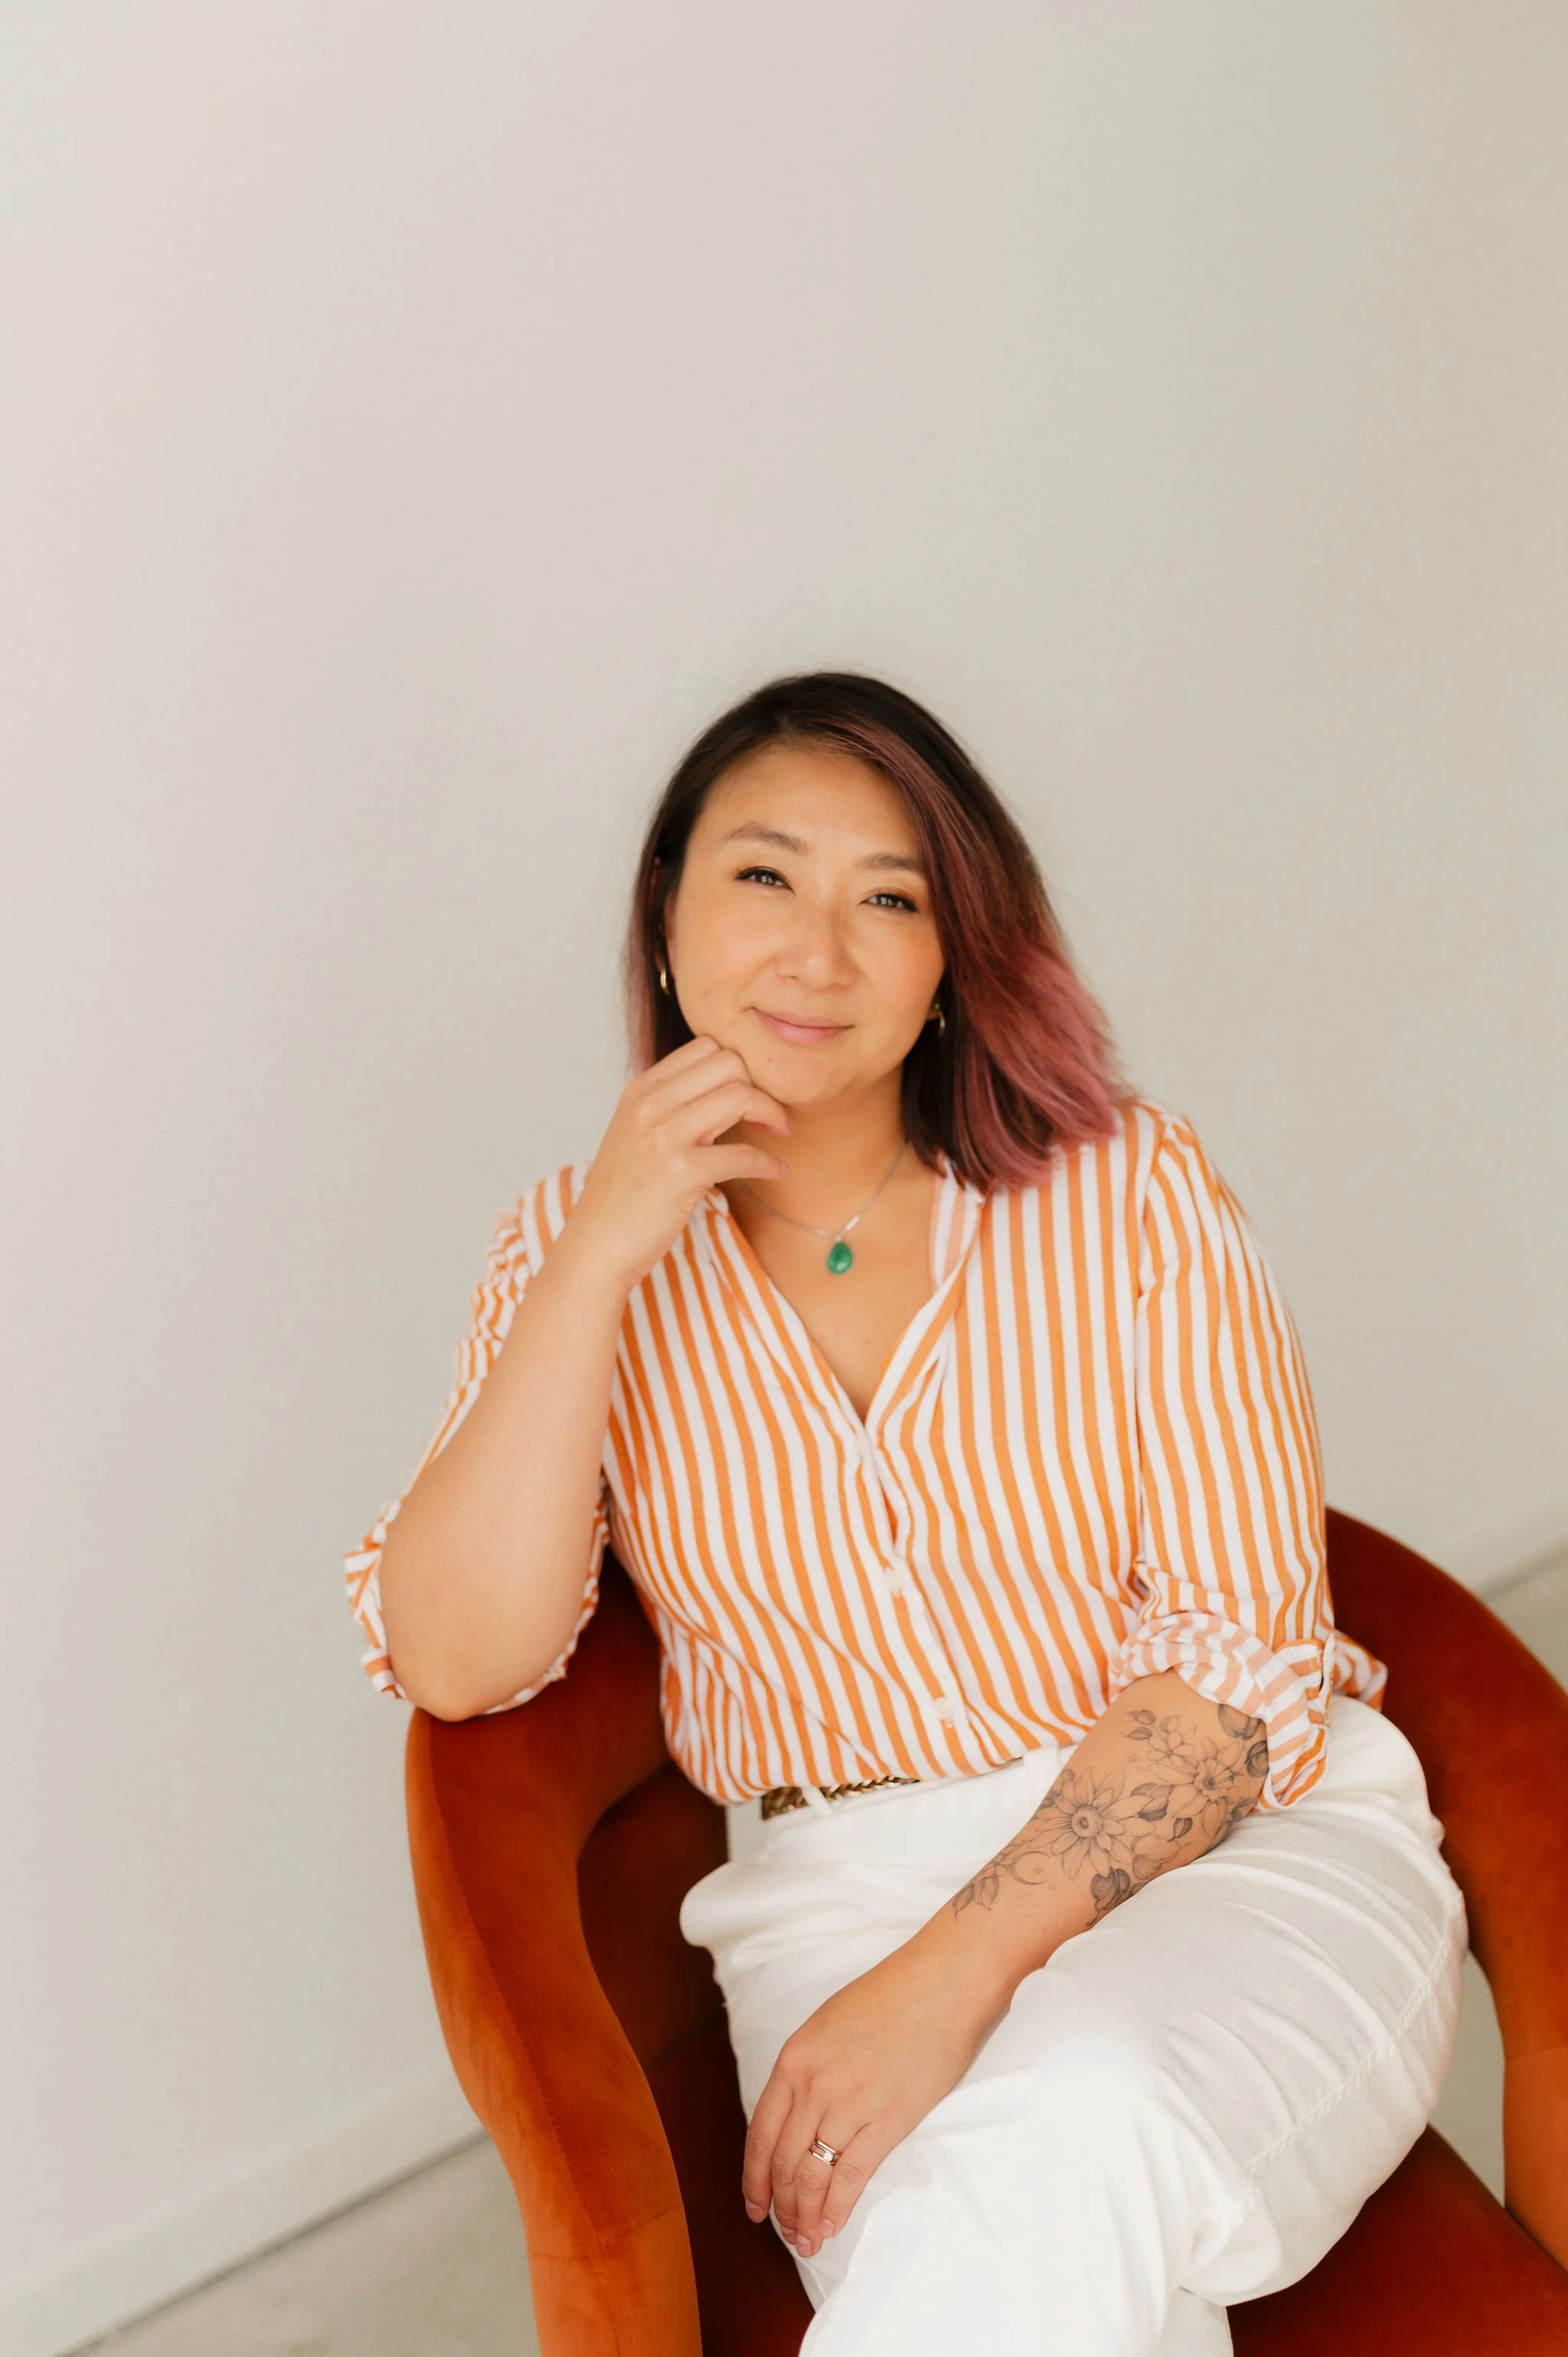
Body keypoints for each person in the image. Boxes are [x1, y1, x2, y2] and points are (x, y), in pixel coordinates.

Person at [342, 672, 1467, 2357]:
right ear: (665, 923)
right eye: (765, 877)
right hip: (838, 1893)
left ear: (952, 962)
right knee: (1065, 2264)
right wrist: (595, 1262)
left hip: (1238, 1846)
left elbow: (1240, 1668)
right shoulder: (569, 1253)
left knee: (1072, 2115)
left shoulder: (1130, 1192)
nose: (820, 949)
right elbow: (459, 1655)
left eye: (892, 898)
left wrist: (943, 1989)